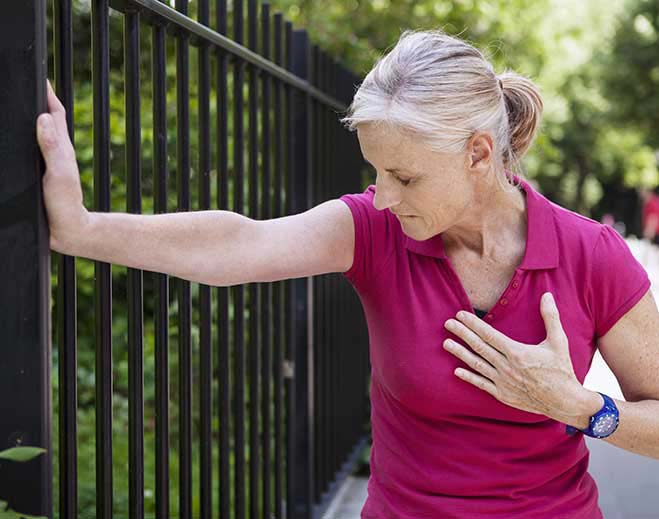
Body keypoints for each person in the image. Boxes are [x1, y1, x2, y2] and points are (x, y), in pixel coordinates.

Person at [36, 29, 659, 519]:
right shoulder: (375, 231)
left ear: (478, 153)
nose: (383, 196)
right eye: (377, 171)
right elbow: (240, 244)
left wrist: (577, 406)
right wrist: (81, 228)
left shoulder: (590, 254)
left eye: (406, 177)